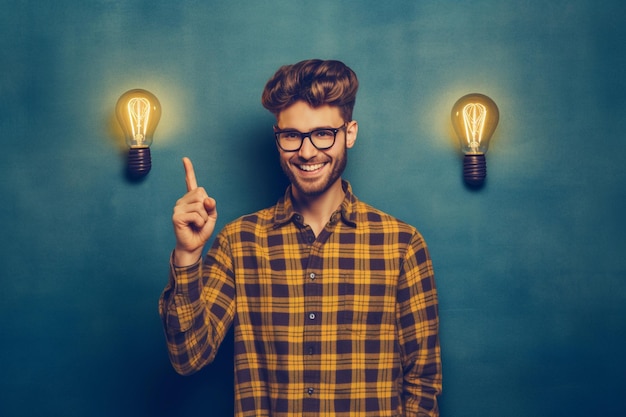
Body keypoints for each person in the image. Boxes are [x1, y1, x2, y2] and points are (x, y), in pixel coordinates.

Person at [159, 59, 442, 416]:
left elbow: (423, 383)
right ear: (277, 136)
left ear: (349, 133)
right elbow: (188, 357)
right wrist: (187, 255)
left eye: (323, 133)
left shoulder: (401, 245)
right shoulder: (239, 242)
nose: (307, 152)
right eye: (292, 136)